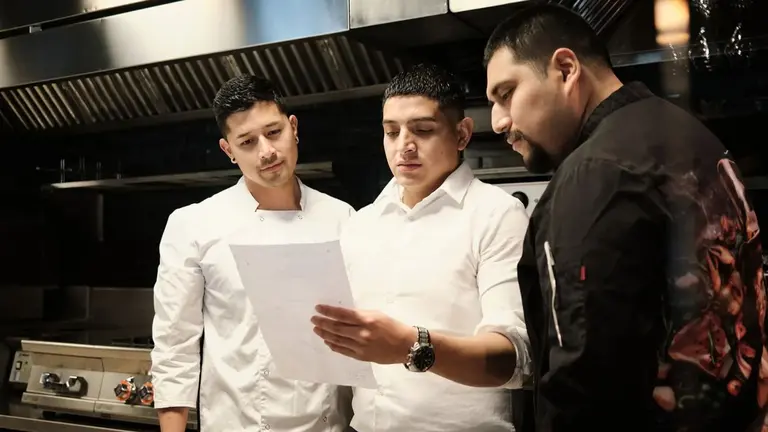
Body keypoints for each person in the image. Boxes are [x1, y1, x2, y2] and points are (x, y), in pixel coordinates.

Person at [484, 4, 767, 432]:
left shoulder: (594, 173)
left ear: (565, 69)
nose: (499, 121)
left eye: (506, 93)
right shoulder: (689, 135)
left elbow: (584, 382)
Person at [311, 63, 532, 432]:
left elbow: (513, 360)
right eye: (391, 132)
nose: (404, 146)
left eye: (423, 130)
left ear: (461, 134)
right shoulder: (360, 224)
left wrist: (410, 345)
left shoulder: (497, 215)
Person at [150, 75, 355, 431]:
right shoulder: (194, 224)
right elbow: (174, 346)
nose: (266, 152)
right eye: (247, 141)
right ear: (229, 150)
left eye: (273, 132)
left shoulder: (343, 219)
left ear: (293, 128)